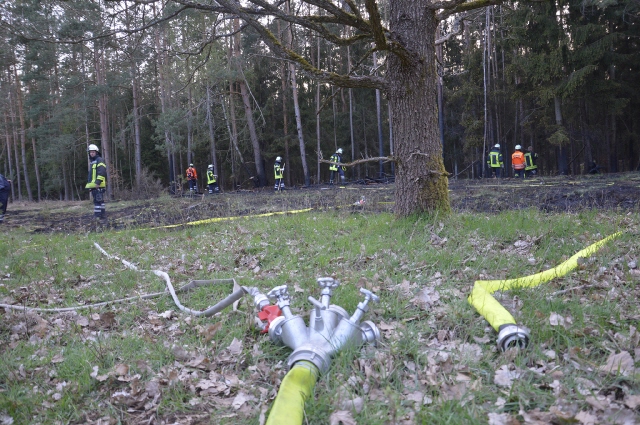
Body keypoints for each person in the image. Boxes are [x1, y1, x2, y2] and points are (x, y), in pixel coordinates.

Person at [85, 144, 107, 219]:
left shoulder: (99, 160)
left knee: (97, 201)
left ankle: (97, 216)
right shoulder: (93, 162)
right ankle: (102, 215)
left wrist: (98, 182)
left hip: (98, 185)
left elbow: (102, 172)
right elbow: (91, 176)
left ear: (96, 152)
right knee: (100, 201)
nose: (91, 153)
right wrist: (90, 186)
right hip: (95, 185)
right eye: (90, 152)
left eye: (93, 152)